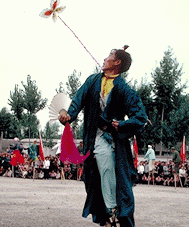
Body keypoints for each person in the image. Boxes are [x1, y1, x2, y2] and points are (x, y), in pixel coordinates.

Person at [59, 46, 147, 226]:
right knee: (93, 181)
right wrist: (68, 116)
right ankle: (107, 216)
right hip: (93, 140)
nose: (104, 58)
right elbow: (77, 101)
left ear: (117, 63)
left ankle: (113, 212)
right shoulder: (92, 81)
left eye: (109, 56)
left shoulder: (124, 89)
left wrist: (121, 124)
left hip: (114, 142)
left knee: (114, 175)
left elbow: (141, 118)